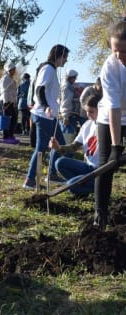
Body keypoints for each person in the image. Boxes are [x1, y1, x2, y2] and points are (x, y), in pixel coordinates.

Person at [93, 18, 126, 230]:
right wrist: (116, 148)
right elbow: (114, 108)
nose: (119, 56)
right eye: (115, 50)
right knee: (105, 166)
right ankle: (100, 215)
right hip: (108, 117)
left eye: (124, 51)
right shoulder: (110, 67)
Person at [22, 44, 70, 189]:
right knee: (43, 148)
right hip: (44, 115)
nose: (66, 60)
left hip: (49, 116)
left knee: (58, 145)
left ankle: (51, 174)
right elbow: (39, 89)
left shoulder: (51, 69)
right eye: (65, 57)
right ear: (59, 56)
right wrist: (46, 107)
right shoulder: (48, 69)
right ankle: (30, 180)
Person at [49, 94, 101, 197]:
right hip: (87, 167)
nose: (88, 114)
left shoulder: (107, 127)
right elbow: (74, 147)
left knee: (69, 185)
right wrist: (59, 148)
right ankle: (82, 186)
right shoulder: (87, 125)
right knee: (60, 162)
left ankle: (96, 188)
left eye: (91, 111)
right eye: (86, 111)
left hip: (99, 171)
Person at [59, 69, 82, 144]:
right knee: (68, 137)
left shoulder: (65, 85)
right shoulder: (67, 87)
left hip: (67, 114)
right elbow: (66, 102)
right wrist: (65, 116)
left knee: (66, 135)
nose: (75, 80)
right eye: (74, 78)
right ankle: (66, 153)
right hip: (68, 115)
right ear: (71, 77)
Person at [0, 60, 19, 144]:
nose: (14, 71)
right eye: (13, 69)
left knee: (13, 118)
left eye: (14, 69)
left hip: (11, 102)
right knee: (7, 119)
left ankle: (10, 135)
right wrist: (5, 102)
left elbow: (14, 91)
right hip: (6, 102)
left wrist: (14, 102)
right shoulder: (5, 78)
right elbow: (4, 91)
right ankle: (6, 136)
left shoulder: (11, 78)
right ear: (9, 69)